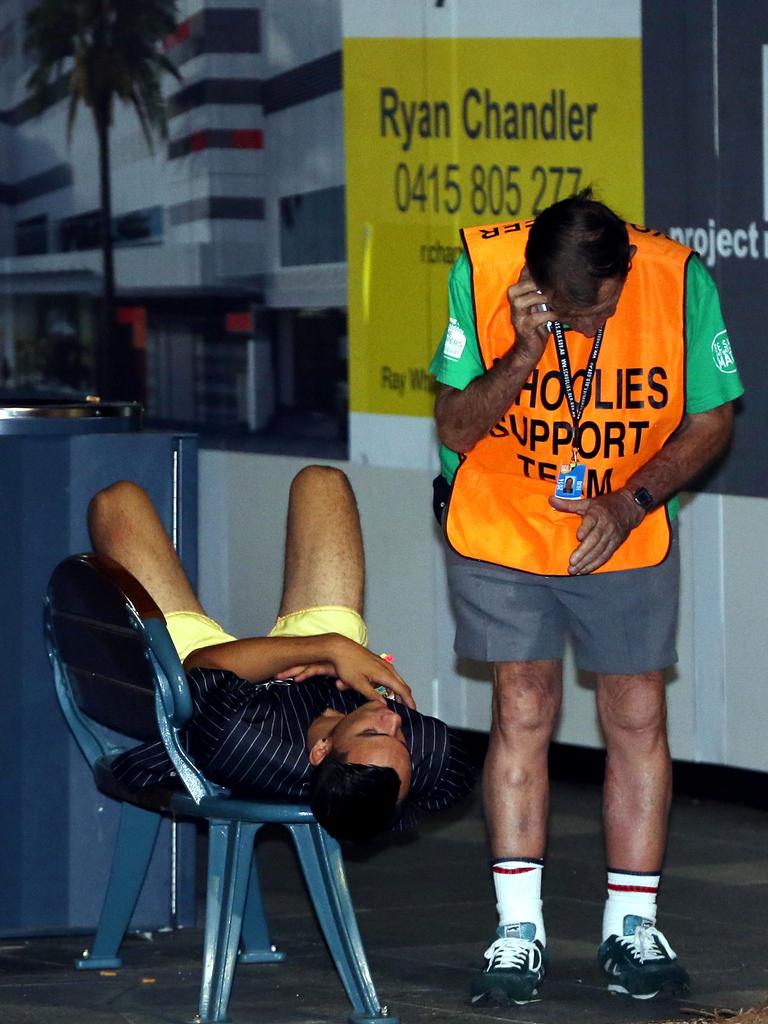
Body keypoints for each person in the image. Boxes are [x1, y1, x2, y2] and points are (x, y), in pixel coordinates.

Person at [429, 189, 743, 1004]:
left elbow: (712, 419)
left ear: (626, 270)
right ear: (535, 281)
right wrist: (525, 355)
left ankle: (632, 927)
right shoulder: (486, 267)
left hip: (623, 519)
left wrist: (629, 502)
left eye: (597, 311)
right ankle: (517, 930)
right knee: (523, 706)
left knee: (636, 710)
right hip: (503, 526)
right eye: (567, 313)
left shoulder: (676, 277)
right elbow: (457, 428)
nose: (586, 327)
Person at [90, 465, 475, 843]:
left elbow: (203, 666)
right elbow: (452, 776)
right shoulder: (390, 753)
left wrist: (330, 649)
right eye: (402, 740)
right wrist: (333, 661)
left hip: (201, 682)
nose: (393, 720)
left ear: (321, 750)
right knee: (321, 483)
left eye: (373, 730)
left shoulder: (244, 740)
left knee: (117, 502)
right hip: (307, 686)